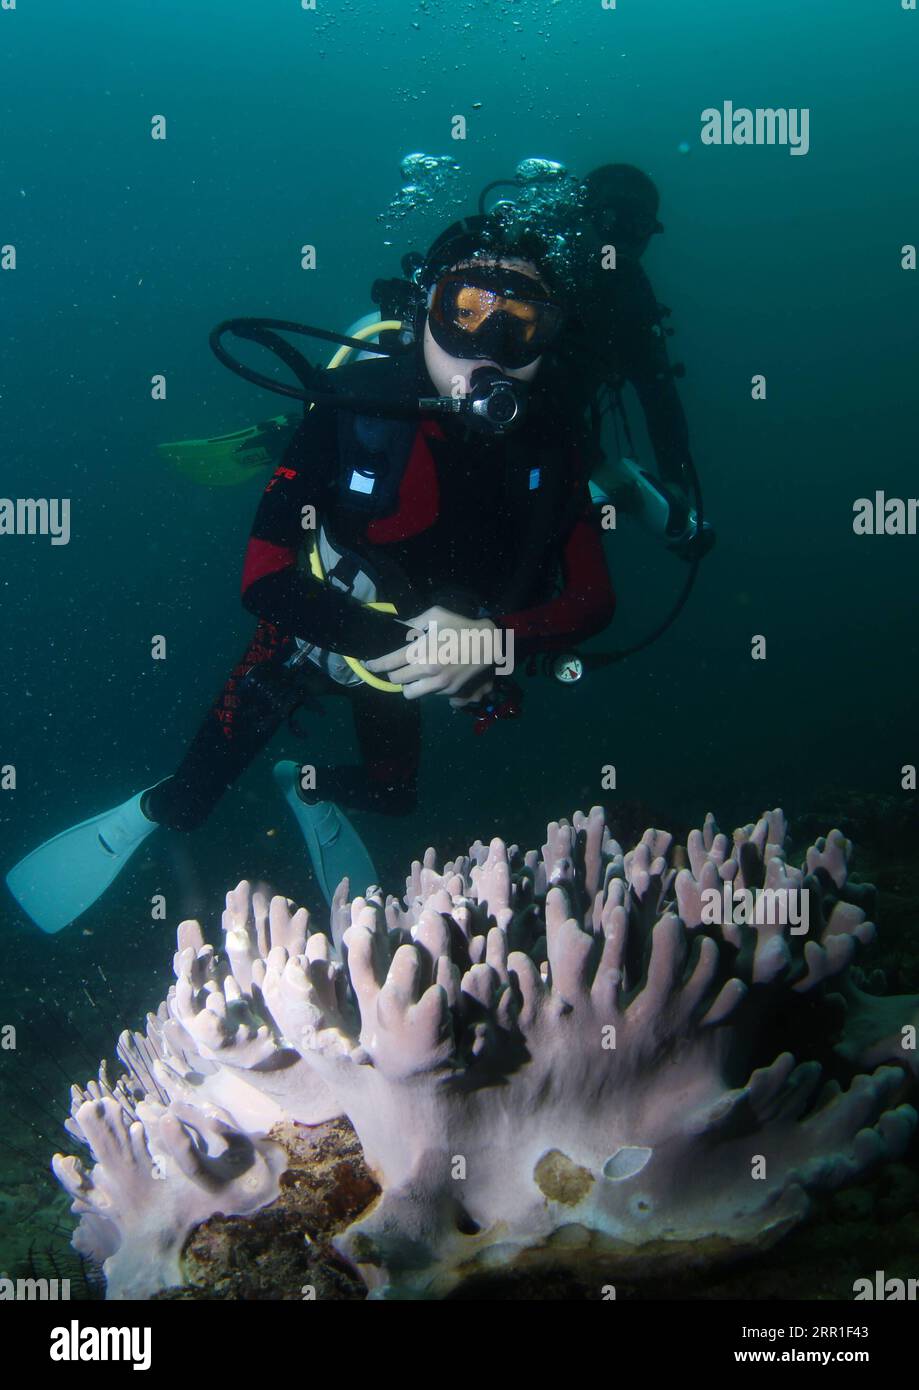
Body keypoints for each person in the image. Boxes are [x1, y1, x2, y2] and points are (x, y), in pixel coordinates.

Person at [6, 216, 616, 934]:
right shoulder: (351, 404)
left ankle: (302, 787)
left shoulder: (555, 438)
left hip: (421, 659)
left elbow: (592, 600)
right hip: (311, 627)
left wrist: (485, 642)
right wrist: (421, 647)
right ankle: (150, 809)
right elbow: (264, 578)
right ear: (424, 311)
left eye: (522, 325)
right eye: (467, 312)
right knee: (188, 805)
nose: (489, 351)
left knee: (393, 795)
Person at [560, 163, 713, 560]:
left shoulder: (630, 296)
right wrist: (589, 461)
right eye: (614, 221)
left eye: (639, 227)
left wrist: (673, 481)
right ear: (584, 216)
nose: (624, 240)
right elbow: (512, 387)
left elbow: (659, 392)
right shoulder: (536, 274)